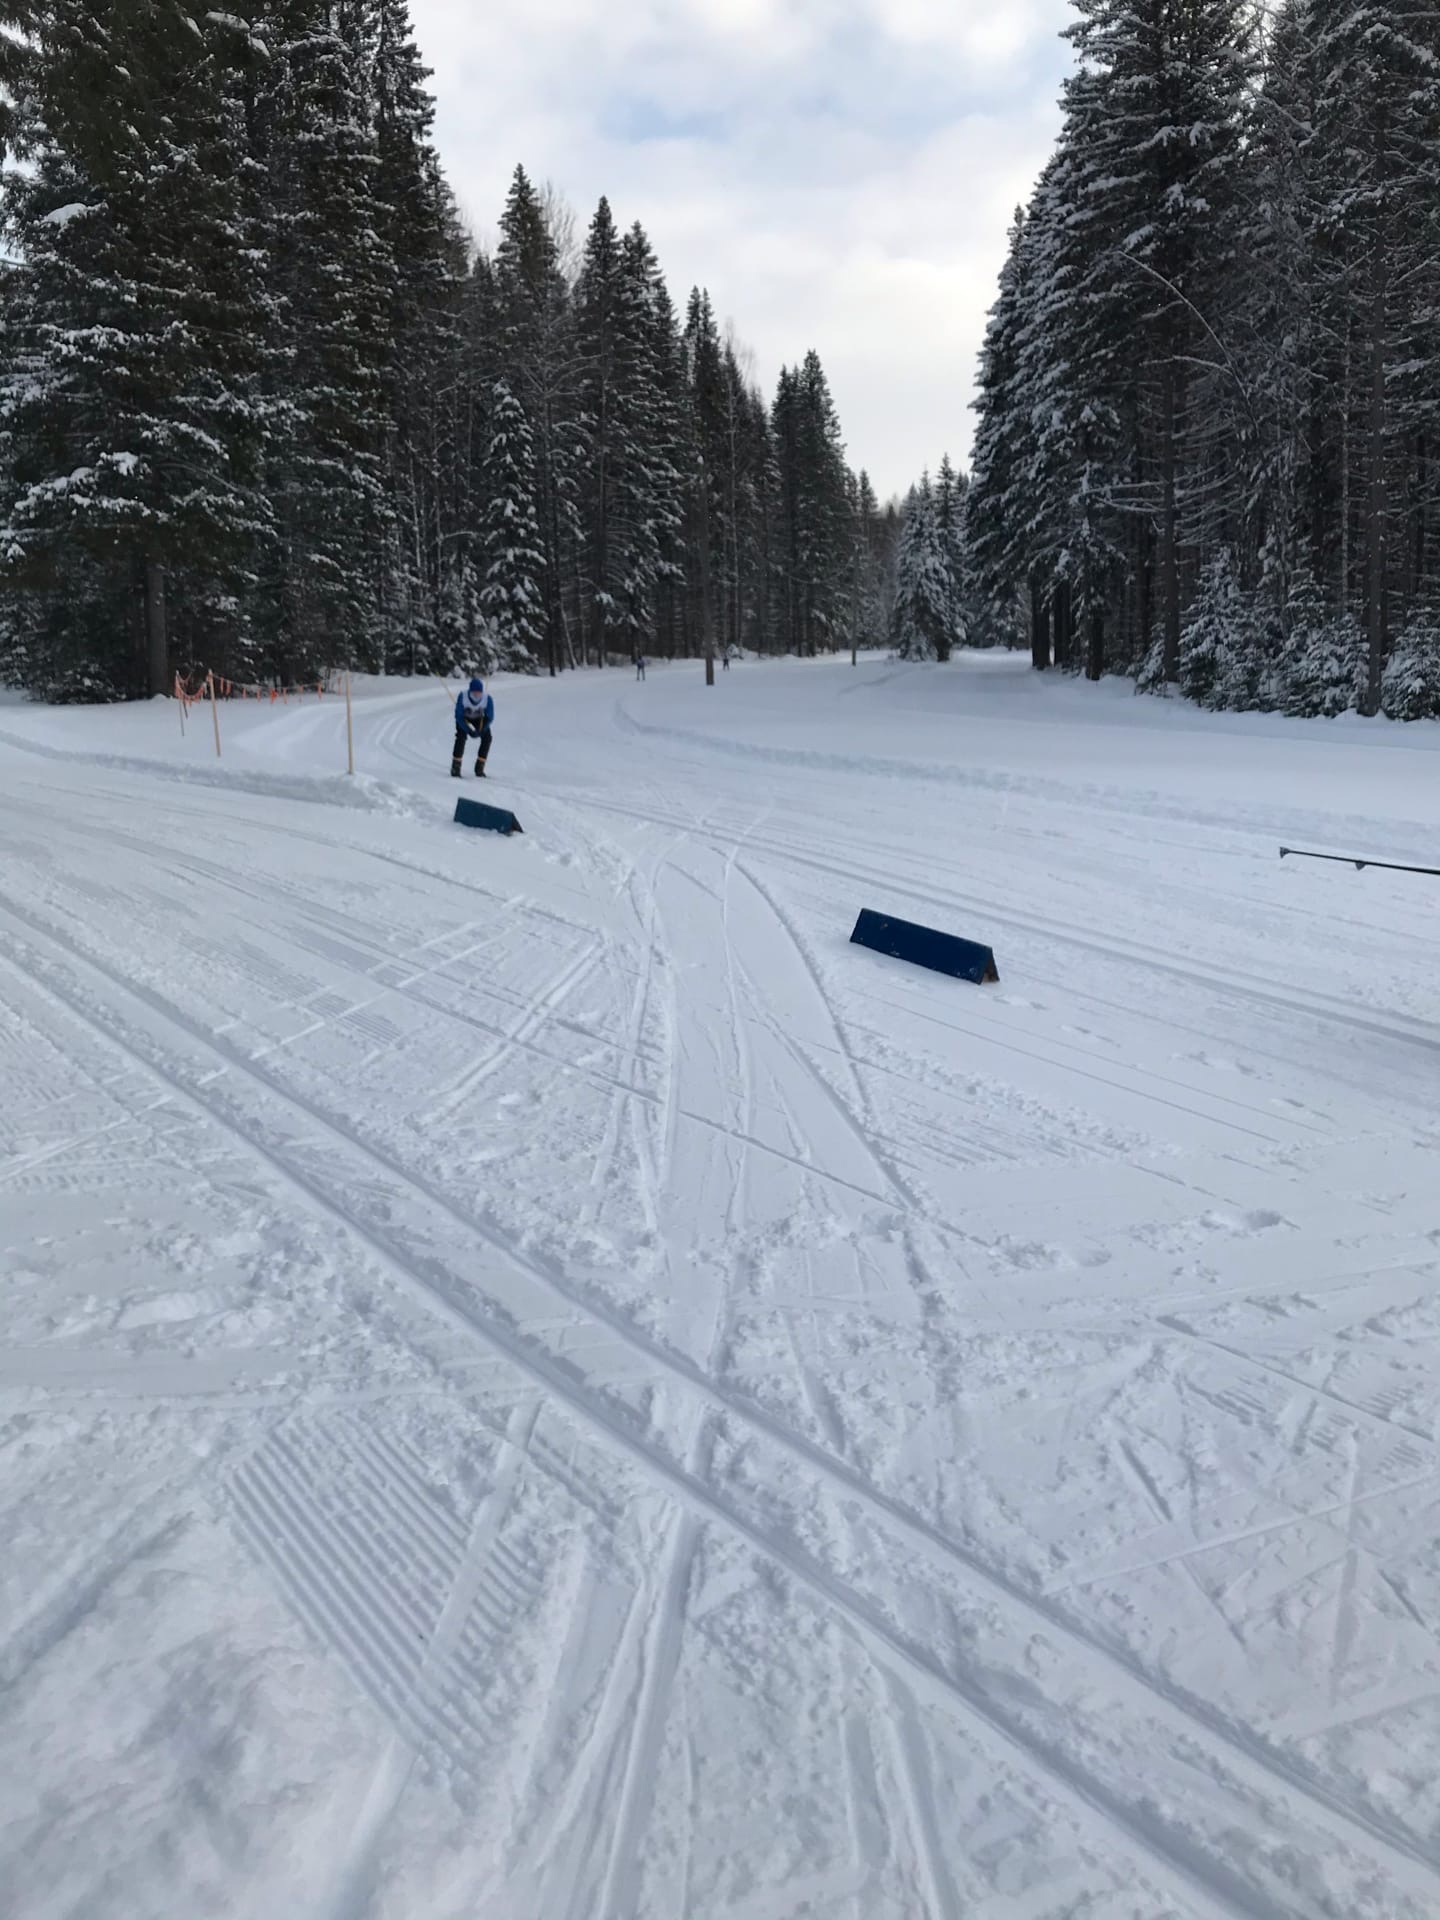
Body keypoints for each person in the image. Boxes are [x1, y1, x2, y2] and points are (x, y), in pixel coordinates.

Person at [452, 676, 494, 778]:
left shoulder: (487, 699)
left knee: (487, 737)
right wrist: (468, 730)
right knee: (461, 737)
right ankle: (456, 767)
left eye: (479, 692)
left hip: (479, 719)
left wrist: (481, 729)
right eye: (474, 692)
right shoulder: (463, 696)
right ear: (470, 691)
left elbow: (490, 717)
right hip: (464, 719)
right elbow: (458, 716)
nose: (476, 695)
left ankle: (480, 767)